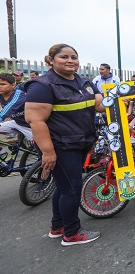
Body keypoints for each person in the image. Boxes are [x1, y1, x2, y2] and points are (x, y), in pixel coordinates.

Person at [24, 43, 104, 246]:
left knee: (63, 187)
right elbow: (35, 120)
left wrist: (123, 100)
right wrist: (48, 152)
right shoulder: (43, 85)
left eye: (74, 57)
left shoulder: (83, 81)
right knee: (72, 189)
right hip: (60, 146)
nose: (70, 61)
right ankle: (72, 233)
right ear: (51, 60)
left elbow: (99, 105)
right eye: (64, 57)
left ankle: (58, 226)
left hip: (79, 143)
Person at [0, 73, 33, 141]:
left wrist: (0, 117)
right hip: (17, 123)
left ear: (13, 85)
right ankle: (2, 151)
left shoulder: (19, 94)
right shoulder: (1, 94)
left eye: (3, 84)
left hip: (29, 126)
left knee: (39, 147)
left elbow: (10, 107)